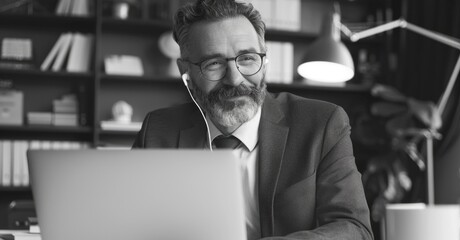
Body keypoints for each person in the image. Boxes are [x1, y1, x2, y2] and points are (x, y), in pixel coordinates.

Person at [132, 0, 373, 239]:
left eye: (247, 58)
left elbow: (353, 228)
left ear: (265, 62)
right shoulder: (158, 130)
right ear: (186, 72)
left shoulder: (322, 124)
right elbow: (129, 222)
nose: (235, 79)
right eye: (213, 64)